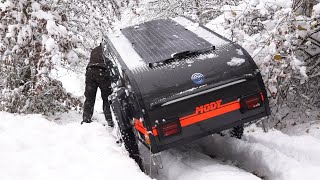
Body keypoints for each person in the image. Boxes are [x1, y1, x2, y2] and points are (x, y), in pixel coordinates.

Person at [81, 44, 114, 127]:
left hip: (90, 71)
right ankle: (110, 120)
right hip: (102, 71)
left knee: (89, 98)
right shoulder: (108, 49)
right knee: (107, 98)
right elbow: (111, 64)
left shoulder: (95, 49)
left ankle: (86, 119)